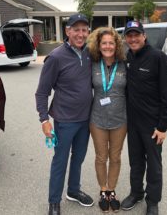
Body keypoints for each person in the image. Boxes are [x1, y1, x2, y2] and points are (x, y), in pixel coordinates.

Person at [35, 13, 94, 215]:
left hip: (86, 119)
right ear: (67, 31)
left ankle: (74, 191)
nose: (80, 34)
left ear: (88, 32)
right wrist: (44, 119)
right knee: (60, 160)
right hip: (64, 121)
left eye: (84, 30)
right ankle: (54, 201)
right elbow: (42, 92)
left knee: (78, 158)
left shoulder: (89, 53)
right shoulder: (56, 57)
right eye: (75, 29)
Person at [121, 21, 167, 215]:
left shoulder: (158, 58)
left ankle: (153, 200)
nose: (133, 39)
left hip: (152, 125)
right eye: (129, 35)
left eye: (136, 34)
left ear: (144, 36)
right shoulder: (128, 57)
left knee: (153, 163)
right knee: (135, 161)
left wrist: (163, 127)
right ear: (126, 38)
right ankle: (136, 193)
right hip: (132, 122)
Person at [87, 27, 127, 213]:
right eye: (104, 43)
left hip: (120, 120)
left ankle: (112, 189)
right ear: (99, 45)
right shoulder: (92, 63)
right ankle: (103, 190)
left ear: (116, 44)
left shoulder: (124, 63)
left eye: (111, 42)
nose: (108, 46)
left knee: (116, 157)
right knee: (101, 157)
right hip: (97, 120)